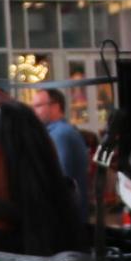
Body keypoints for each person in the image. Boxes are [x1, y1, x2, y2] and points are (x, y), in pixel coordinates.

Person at [33, 87, 91, 221]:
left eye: (38, 106)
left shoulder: (60, 134)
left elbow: (60, 180)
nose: (34, 111)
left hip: (64, 219)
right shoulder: (60, 132)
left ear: (55, 107)